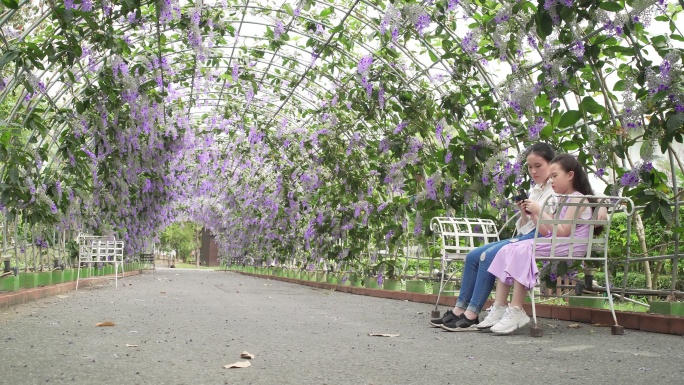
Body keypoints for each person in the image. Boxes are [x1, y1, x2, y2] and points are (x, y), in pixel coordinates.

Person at [429, 142, 557, 331]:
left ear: (551, 164)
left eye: (538, 166)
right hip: (529, 233)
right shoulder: (536, 190)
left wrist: (536, 212)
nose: (533, 171)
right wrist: (524, 213)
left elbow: (549, 227)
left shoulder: (555, 190)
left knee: (487, 256)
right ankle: (459, 309)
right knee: (473, 255)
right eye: (530, 167)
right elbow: (524, 227)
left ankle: (472, 313)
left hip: (539, 236)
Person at [482, 154, 597, 335]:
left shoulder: (577, 198)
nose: (551, 180)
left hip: (571, 245)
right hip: (558, 242)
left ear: (570, 175)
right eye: (550, 177)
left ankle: (517, 308)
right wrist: (532, 215)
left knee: (523, 248)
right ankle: (500, 306)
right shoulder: (562, 199)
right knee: (507, 249)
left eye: (554, 176)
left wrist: (540, 211)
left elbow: (564, 231)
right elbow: (546, 231)